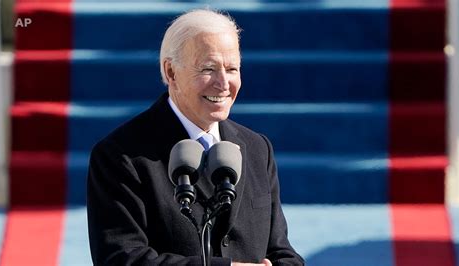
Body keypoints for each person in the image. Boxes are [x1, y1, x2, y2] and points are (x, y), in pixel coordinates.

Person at [87, 9, 304, 266]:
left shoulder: (257, 148)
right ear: (171, 72)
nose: (223, 83)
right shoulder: (120, 156)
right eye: (208, 69)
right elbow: (123, 259)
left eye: (232, 68)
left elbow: (282, 252)